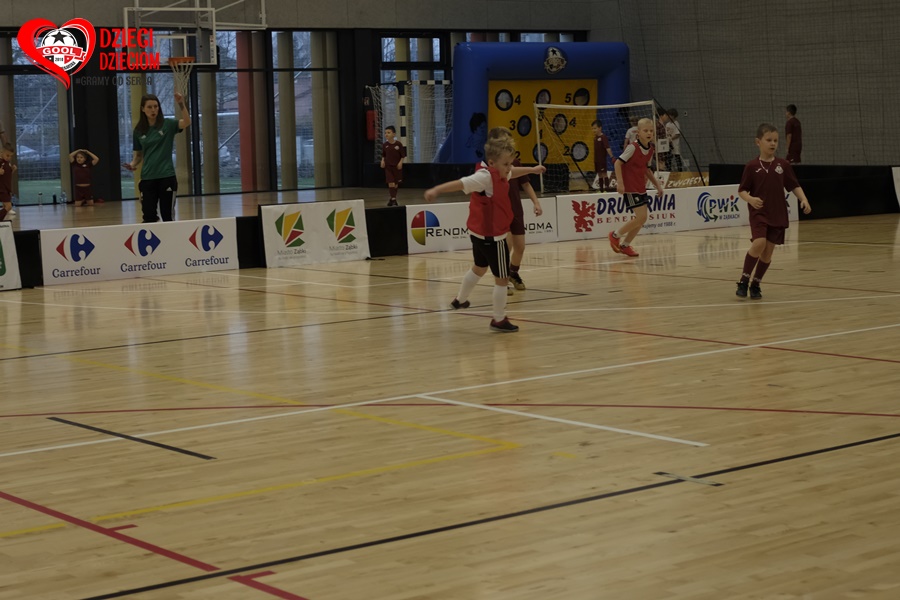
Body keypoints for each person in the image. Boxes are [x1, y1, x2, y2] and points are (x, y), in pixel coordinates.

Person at [423, 135, 545, 332]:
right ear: (492, 163)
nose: (509, 168)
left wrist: (532, 169)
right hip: (493, 238)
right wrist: (436, 190)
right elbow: (461, 183)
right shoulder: (485, 177)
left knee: (479, 268)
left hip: (479, 234)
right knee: (502, 279)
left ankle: (460, 300)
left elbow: (513, 172)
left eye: (510, 163)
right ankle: (499, 319)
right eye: (506, 164)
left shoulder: (501, 172)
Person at [735, 123, 812, 299]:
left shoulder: (783, 165)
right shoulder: (751, 166)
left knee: (768, 252)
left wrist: (804, 199)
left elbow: (793, 185)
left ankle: (756, 284)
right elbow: (742, 190)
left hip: (777, 213)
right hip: (759, 213)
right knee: (759, 243)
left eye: (775, 140)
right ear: (758, 142)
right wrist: (750, 199)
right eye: (768, 140)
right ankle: (744, 281)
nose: (772, 143)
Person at [486, 127, 543, 293]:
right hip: (500, 211)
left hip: (516, 209)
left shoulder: (514, 163)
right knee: (506, 246)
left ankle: (513, 273)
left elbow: (526, 183)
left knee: (520, 246)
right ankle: (502, 280)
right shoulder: (492, 164)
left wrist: (536, 202)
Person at [123, 92, 191, 223]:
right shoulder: (138, 131)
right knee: (148, 216)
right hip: (147, 178)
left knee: (167, 216)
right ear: (143, 109)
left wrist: (181, 104)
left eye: (156, 106)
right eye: (149, 107)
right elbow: (138, 155)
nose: (153, 110)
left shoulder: (168, 125)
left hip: (166, 177)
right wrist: (132, 164)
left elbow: (187, 122)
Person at [607, 118, 665, 258]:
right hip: (630, 187)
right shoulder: (632, 147)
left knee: (642, 219)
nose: (649, 133)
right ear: (638, 132)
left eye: (651, 131)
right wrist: (620, 183)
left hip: (640, 186)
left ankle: (625, 245)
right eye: (645, 130)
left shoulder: (651, 149)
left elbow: (647, 169)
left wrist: (657, 185)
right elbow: (617, 163)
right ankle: (615, 235)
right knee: (641, 217)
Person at [380, 125, 406, 207]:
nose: (386, 134)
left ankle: (392, 199)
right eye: (385, 133)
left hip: (396, 167)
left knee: (395, 184)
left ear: (394, 134)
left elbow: (403, 155)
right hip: (388, 167)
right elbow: (383, 155)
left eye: (388, 132)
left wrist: (400, 163)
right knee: (390, 182)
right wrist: (382, 161)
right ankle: (394, 199)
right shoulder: (385, 145)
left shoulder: (398, 144)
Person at [591, 120, 615, 191]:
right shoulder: (595, 138)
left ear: (600, 128)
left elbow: (607, 148)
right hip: (596, 160)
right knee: (599, 174)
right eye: (592, 128)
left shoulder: (603, 137)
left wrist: (612, 156)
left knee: (604, 173)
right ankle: (601, 189)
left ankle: (607, 189)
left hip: (602, 160)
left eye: (595, 128)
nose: (593, 130)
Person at [0, 144, 16, 221]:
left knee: (6, 206)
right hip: (1, 188)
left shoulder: (7, 163)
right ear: (1, 152)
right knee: (8, 206)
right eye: (7, 155)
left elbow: (7, 175)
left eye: (10, 156)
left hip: (6, 188)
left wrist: (12, 170)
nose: (9, 157)